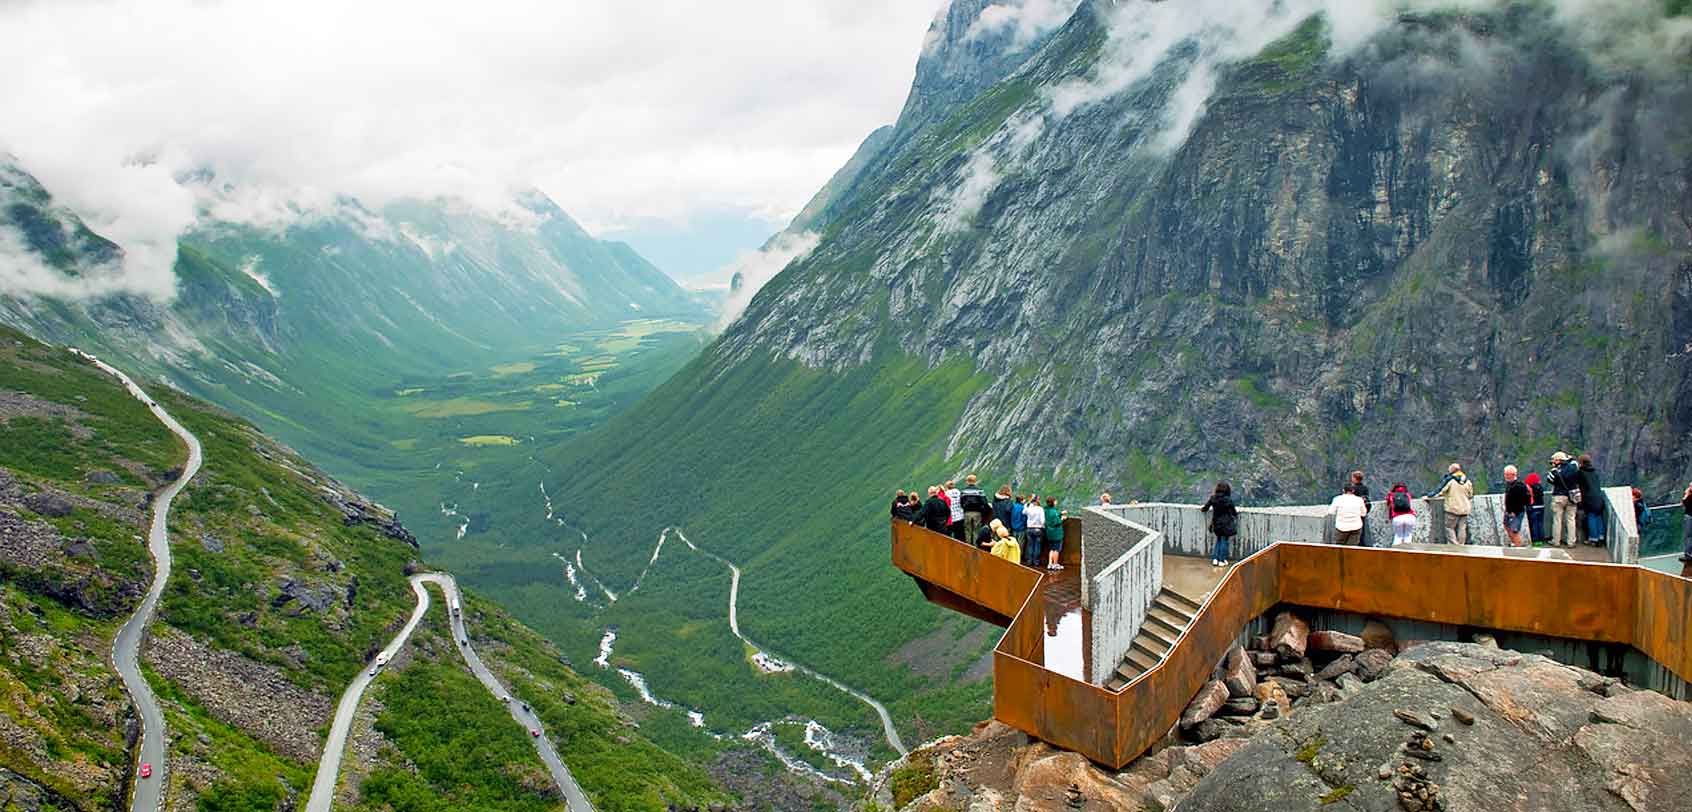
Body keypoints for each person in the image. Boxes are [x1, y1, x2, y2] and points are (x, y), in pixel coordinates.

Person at [1431, 463, 1474, 545]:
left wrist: (1429, 496)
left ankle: (1454, 546)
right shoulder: (1467, 481)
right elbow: (1470, 494)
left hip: (1452, 508)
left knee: (1449, 527)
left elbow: (1441, 491)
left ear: (1452, 470)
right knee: (1462, 528)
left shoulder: (1451, 480)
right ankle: (1461, 545)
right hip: (1465, 508)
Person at [1200, 481, 1238, 566]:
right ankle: (1222, 560)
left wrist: (1202, 509)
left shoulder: (1213, 498)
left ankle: (1215, 559)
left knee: (1218, 540)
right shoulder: (1228, 500)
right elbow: (1234, 512)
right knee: (1224, 541)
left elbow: (1205, 508)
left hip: (1216, 523)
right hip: (1226, 523)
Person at [1548, 451, 1580, 547]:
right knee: (1571, 519)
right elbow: (1574, 463)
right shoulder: (1573, 467)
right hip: (1572, 496)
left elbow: (1550, 480)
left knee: (1557, 519)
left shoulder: (1554, 471)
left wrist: (1554, 468)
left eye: (1554, 460)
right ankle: (1571, 542)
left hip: (1559, 496)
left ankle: (1556, 541)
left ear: (1558, 460)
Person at [1577, 454, 1605, 546]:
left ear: (1581, 462)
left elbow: (1576, 482)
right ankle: (1601, 536)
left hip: (1589, 499)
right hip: (1599, 498)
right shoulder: (1594, 471)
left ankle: (1593, 539)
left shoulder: (1581, 472)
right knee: (1598, 517)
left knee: (1591, 517)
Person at [1502, 466, 1529, 548]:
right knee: (1506, 526)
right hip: (1508, 511)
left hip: (1516, 512)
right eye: (1505, 474)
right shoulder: (1509, 484)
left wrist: (1515, 512)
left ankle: (1518, 549)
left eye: (1507, 474)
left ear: (1513, 474)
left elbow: (1523, 500)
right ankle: (1515, 543)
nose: (1505, 476)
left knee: (1514, 531)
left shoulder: (1520, 486)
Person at [959, 475, 990, 543]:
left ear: (967, 481)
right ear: (975, 481)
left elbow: (961, 502)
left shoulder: (963, 491)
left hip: (967, 513)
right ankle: (976, 547)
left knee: (967, 530)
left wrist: (964, 508)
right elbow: (984, 502)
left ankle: (968, 546)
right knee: (977, 530)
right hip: (977, 513)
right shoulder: (979, 490)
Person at [1387, 482, 1416, 546]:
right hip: (1409, 516)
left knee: (1398, 537)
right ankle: (1408, 553)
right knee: (1408, 536)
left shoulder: (1391, 494)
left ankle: (1395, 554)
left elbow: (1389, 504)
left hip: (1397, 517)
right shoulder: (1407, 494)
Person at [1043, 497, 1067, 571]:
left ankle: (1050, 564)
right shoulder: (1053, 511)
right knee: (1056, 549)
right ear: (1053, 502)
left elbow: (1052, 518)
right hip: (1056, 533)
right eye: (1055, 501)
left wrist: (1060, 513)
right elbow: (1056, 522)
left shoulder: (1046, 510)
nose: (1056, 502)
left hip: (1049, 533)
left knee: (1051, 549)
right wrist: (1062, 518)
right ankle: (1055, 564)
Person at [1524, 472, 1548, 544]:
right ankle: (1541, 539)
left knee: (1533, 524)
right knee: (1540, 523)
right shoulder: (1540, 487)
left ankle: (1536, 540)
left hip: (1533, 507)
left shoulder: (1528, 487)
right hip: (1541, 506)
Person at [1023, 492, 1046, 568]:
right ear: (1037, 501)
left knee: (1030, 545)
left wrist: (1028, 502)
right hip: (1038, 529)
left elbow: (1023, 511)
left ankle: (1029, 561)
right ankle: (1036, 562)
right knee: (1037, 546)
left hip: (1029, 528)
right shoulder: (1040, 509)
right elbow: (1042, 521)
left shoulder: (1029, 509)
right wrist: (1042, 526)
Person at [1350, 471, 1372, 547]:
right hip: (1363, 511)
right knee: (1362, 530)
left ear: (1355, 478)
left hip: (1354, 512)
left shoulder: (1353, 489)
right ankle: (1362, 544)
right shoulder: (1365, 488)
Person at [1680, 482, 1692, 563]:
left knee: (1688, 536)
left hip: (1689, 516)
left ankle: (1688, 555)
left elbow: (1683, 503)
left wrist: (1686, 493)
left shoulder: (1690, 497)